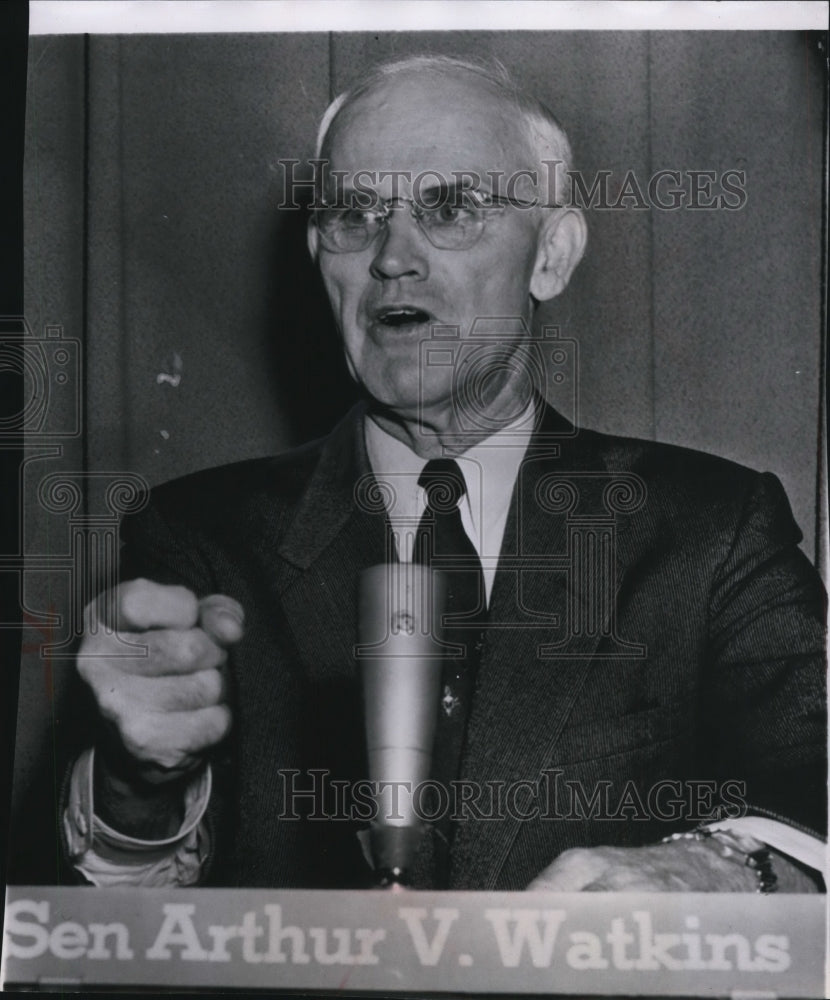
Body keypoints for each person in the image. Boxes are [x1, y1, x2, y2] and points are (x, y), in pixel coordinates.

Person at [56, 56, 825, 892]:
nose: (393, 257)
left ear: (552, 255)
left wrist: (717, 871)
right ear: (319, 257)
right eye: (355, 213)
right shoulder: (197, 541)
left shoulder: (712, 531)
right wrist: (136, 792)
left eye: (449, 207)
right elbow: (99, 925)